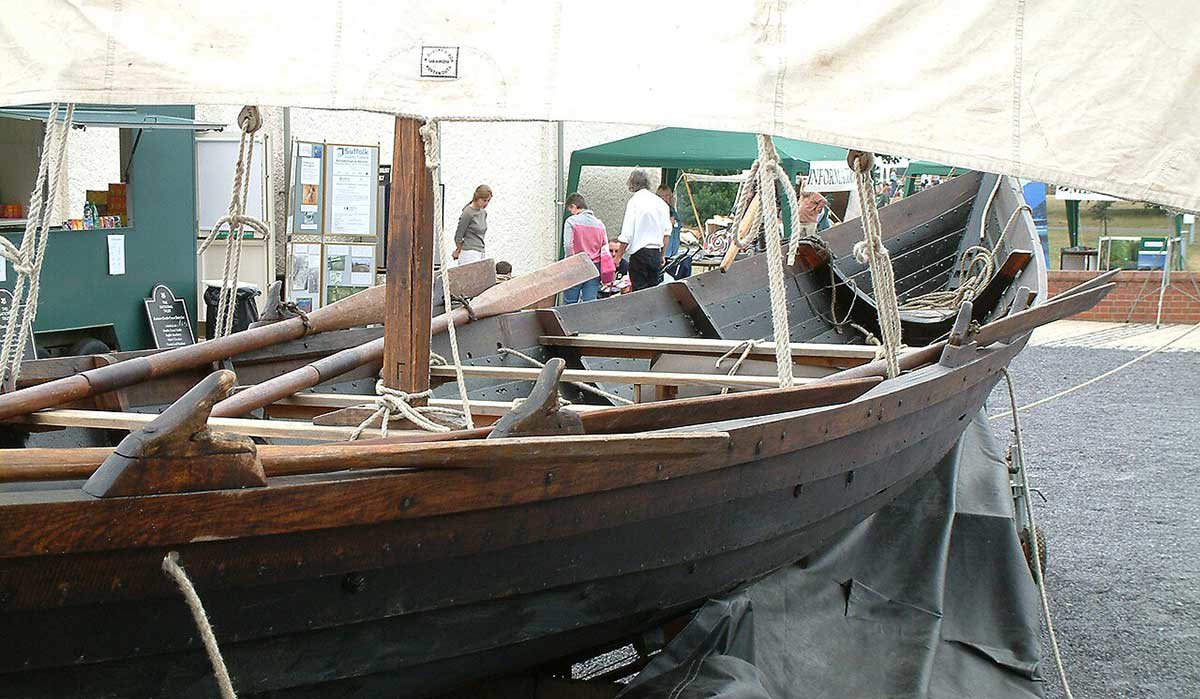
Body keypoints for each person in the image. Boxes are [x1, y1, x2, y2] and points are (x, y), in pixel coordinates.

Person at [614, 169, 670, 291]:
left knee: (639, 292)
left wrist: (618, 256)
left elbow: (627, 234)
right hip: (655, 253)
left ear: (632, 184)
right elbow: (666, 234)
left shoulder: (634, 202)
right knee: (653, 292)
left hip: (639, 254)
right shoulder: (661, 203)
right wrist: (662, 255)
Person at [560, 192, 613, 304]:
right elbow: (604, 247)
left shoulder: (571, 221)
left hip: (576, 265)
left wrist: (570, 263)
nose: (572, 213)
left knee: (570, 302)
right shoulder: (600, 224)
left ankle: (570, 322)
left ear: (574, 206)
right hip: (594, 266)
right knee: (590, 302)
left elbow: (568, 245)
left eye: (571, 210)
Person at [453, 184, 492, 266]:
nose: (486, 203)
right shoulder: (467, 213)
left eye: (488, 201)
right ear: (477, 198)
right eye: (484, 200)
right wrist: (459, 250)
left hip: (480, 250)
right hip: (469, 252)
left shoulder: (483, 213)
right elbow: (458, 236)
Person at [656, 184, 683, 258]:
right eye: (665, 196)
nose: (668, 198)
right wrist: (668, 223)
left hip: (674, 252)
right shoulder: (656, 211)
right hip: (662, 253)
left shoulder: (672, 210)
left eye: (669, 196)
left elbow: (679, 225)